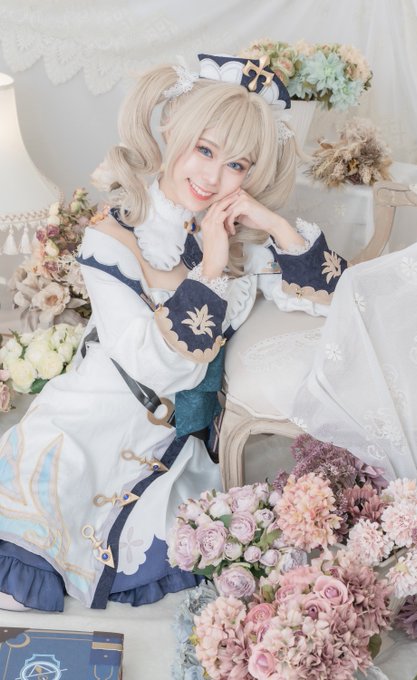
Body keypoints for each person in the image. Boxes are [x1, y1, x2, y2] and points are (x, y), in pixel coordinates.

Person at [0, 53, 347, 611]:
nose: (212, 177)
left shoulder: (244, 240)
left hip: (171, 448)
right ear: (170, 129)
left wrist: (276, 225)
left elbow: (335, 301)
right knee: (22, 569)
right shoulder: (113, 236)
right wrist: (211, 268)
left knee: (197, 552)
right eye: (204, 150)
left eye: (236, 164)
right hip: (87, 419)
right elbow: (149, 363)